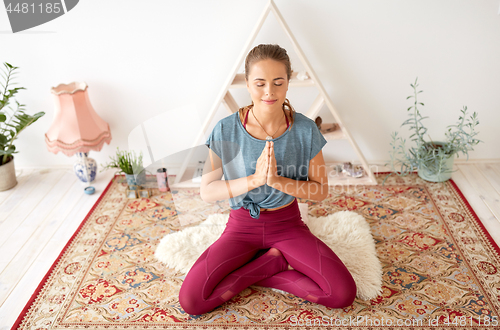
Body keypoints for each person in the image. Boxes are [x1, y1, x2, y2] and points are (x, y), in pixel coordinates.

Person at [178, 44, 356, 315]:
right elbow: (208, 191)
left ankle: (265, 266)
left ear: (287, 84)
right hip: (241, 227)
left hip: (287, 225)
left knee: (342, 294)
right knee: (191, 302)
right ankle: (270, 264)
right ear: (248, 84)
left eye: (278, 82)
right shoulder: (225, 129)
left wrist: (275, 180)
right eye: (260, 83)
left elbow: (320, 192)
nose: (269, 92)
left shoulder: (305, 129)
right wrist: (254, 179)